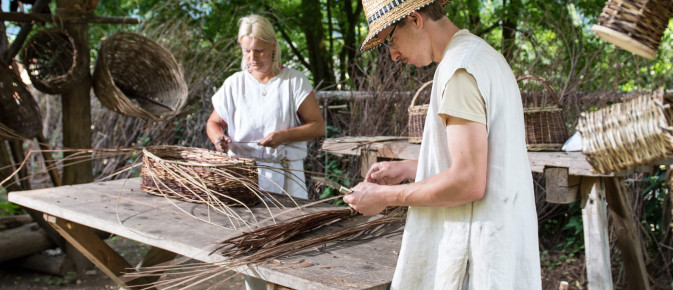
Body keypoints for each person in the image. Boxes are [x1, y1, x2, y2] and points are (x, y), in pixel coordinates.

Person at [343, 0, 541, 288]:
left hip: (479, 257)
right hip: (502, 243)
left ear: (414, 20)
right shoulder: (483, 56)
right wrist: (410, 168)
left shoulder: (459, 71)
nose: (394, 55)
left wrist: (384, 197)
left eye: (391, 41)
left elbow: (468, 181)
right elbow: (484, 160)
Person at [206, 14, 324, 200]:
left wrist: (284, 136)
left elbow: (317, 125)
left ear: (273, 46)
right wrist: (218, 138)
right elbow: (213, 122)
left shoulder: (293, 81)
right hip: (242, 178)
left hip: (286, 178)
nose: (252, 58)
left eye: (259, 50)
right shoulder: (234, 84)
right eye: (246, 51)